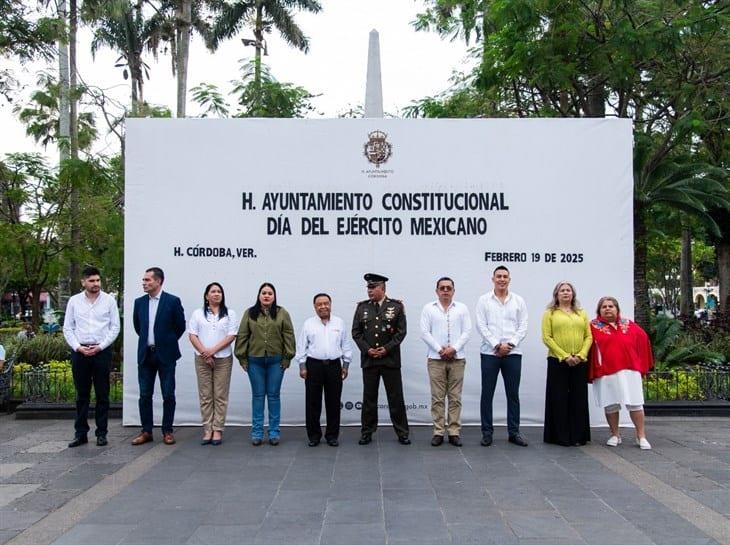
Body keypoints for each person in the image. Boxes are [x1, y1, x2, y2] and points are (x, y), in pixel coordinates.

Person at [62, 266, 120, 448]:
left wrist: (101, 346)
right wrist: (78, 347)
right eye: (92, 281)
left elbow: (115, 327)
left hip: (101, 352)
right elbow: (68, 328)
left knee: (103, 394)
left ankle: (101, 433)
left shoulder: (109, 300)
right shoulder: (74, 301)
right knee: (82, 395)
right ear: (83, 282)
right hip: (80, 353)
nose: (96, 284)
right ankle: (81, 433)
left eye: (98, 280)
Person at [352, 273, 410, 445]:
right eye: (368, 288)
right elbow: (356, 333)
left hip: (390, 360)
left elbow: (401, 332)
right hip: (369, 360)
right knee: (369, 398)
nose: (369, 291)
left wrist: (386, 349)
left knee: (395, 397)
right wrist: (368, 349)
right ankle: (367, 432)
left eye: (373, 287)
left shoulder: (396, 306)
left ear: (382, 288)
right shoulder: (362, 307)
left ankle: (402, 432)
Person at [234, 282, 295, 446]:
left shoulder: (282, 313)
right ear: (259, 296)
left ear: (274, 296)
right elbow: (242, 335)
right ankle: (257, 433)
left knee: (274, 396)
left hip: (276, 361)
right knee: (258, 396)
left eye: (270, 293)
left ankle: (274, 432)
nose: (266, 295)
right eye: (264, 293)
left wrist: (287, 357)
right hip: (255, 361)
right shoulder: (250, 313)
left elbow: (288, 334)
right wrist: (242, 358)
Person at [589, 296, 654, 450]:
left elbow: (643, 340)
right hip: (605, 370)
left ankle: (641, 436)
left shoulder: (629, 324)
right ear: (599, 310)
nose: (607, 308)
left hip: (629, 369)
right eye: (604, 306)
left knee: (635, 403)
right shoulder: (592, 326)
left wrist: (641, 363)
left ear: (617, 309)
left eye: (611, 306)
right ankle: (614, 434)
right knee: (610, 404)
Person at [131, 267, 186, 446]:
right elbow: (138, 327)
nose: (144, 283)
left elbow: (180, 326)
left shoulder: (172, 301)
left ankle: (167, 431)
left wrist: (166, 342)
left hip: (166, 355)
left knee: (168, 394)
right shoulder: (139, 302)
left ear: (159, 281)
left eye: (148, 280)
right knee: (145, 394)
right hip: (146, 355)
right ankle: (146, 431)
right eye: (143, 280)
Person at [475, 265, 528, 447]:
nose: (502, 279)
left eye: (505, 276)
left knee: (513, 394)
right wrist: (497, 345)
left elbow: (523, 326)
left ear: (509, 279)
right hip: (490, 353)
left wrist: (510, 344)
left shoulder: (518, 300)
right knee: (487, 394)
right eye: (499, 276)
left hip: (513, 354)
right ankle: (487, 433)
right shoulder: (484, 300)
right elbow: (481, 326)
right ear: (493, 279)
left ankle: (514, 432)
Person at [419, 276, 472, 447]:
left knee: (455, 398)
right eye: (442, 288)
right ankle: (438, 431)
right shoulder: (429, 308)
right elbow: (424, 332)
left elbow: (467, 331)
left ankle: (454, 432)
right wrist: (440, 349)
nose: (446, 291)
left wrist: (453, 349)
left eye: (449, 288)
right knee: (437, 398)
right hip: (436, 359)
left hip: (457, 359)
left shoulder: (462, 308)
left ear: (453, 291)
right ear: (437, 291)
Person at [295, 293, 352, 447]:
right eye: (319, 304)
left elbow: (346, 345)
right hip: (313, 366)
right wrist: (302, 367)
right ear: (315, 307)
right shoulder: (308, 324)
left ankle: (332, 435)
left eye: (326, 303)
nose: (323, 306)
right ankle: (314, 436)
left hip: (334, 366)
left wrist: (345, 365)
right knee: (313, 402)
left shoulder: (339, 323)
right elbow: (301, 347)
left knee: (333, 402)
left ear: (330, 304)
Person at [541, 281, 592, 446]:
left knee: (579, 398)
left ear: (573, 294)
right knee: (558, 398)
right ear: (556, 294)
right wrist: (564, 356)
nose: (565, 293)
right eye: (562, 290)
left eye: (568, 290)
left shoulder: (581, 313)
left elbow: (588, 336)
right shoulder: (550, 313)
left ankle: (578, 436)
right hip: (557, 360)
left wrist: (581, 354)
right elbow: (546, 337)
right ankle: (559, 436)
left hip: (579, 360)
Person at [188, 282, 237, 446]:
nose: (216, 294)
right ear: (206, 296)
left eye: (219, 291)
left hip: (223, 358)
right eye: (213, 291)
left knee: (220, 396)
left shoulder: (229, 313)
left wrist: (212, 351)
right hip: (202, 359)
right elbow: (193, 335)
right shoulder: (198, 313)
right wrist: (204, 352)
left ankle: (218, 429)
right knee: (206, 395)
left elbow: (231, 335)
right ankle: (207, 428)